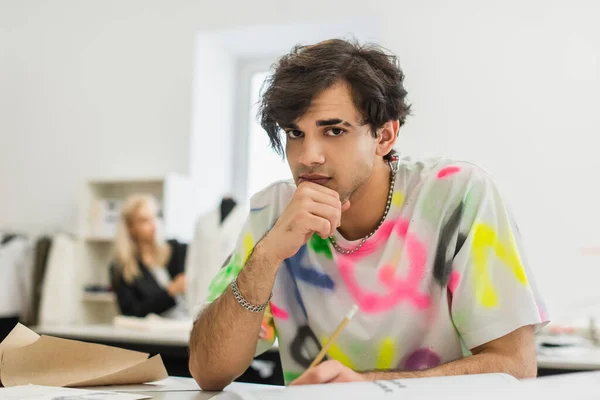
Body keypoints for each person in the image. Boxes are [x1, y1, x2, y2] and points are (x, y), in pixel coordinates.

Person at [189, 39, 549, 390]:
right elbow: (208, 372)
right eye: (295, 133)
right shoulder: (273, 211)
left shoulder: (457, 195)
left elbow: (515, 365)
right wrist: (266, 256)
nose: (308, 156)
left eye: (334, 130)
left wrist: (368, 387)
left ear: (385, 136)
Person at [110, 194, 188, 319]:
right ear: (131, 228)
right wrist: (170, 291)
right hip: (151, 334)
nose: (154, 225)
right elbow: (131, 312)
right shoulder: (121, 267)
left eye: (155, 217)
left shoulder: (175, 249)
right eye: (145, 220)